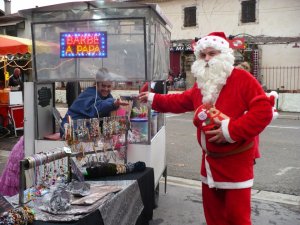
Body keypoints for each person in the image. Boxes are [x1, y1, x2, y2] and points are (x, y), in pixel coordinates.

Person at [139, 32, 276, 225]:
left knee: (237, 219)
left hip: (236, 164)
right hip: (210, 164)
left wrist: (230, 131)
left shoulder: (242, 78)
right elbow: (180, 100)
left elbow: (263, 111)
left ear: (225, 55)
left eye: (212, 53)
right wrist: (153, 98)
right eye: (203, 55)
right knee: (213, 218)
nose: (207, 59)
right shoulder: (202, 85)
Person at [61, 68, 128, 136]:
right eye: (103, 86)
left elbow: (109, 104)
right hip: (71, 131)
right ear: (97, 84)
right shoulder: (89, 93)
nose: (106, 89)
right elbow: (97, 108)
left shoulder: (108, 96)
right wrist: (114, 103)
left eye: (109, 86)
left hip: (85, 132)